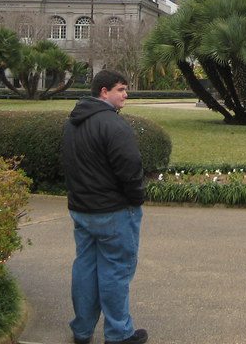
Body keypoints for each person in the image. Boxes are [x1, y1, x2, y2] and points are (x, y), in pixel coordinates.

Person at [60, 69, 148, 344]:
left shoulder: (72, 122)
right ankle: (119, 333)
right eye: (120, 89)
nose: (125, 95)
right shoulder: (114, 125)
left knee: (85, 268)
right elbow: (131, 169)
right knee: (115, 272)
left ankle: (82, 330)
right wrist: (136, 198)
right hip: (113, 211)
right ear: (103, 92)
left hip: (82, 209)